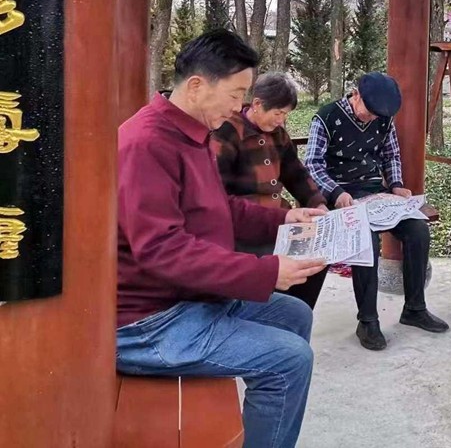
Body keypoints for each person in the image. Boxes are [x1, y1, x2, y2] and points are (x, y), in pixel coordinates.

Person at [116, 30, 328, 448]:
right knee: (289, 360)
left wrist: (287, 218)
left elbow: (220, 208)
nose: (239, 106)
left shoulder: (192, 133)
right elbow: (162, 249)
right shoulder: (147, 143)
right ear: (197, 86)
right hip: (149, 321)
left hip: (191, 298)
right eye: (236, 94)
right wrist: (265, 272)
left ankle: (267, 418)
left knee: (294, 315)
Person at [304, 71, 448, 351]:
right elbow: (313, 164)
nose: (371, 119)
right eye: (368, 112)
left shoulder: (383, 117)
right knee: (365, 239)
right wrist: (336, 192)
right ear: (355, 94)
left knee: (417, 229)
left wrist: (396, 185)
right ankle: (368, 320)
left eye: (376, 115)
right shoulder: (326, 118)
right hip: (340, 195)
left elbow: (390, 154)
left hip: (374, 192)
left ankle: (415, 308)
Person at [212, 71, 330, 310]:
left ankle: (296, 315)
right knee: (281, 265)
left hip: (281, 220)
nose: (281, 120)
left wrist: (317, 202)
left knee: (318, 258)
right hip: (245, 226)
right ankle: (270, 317)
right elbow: (216, 193)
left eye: (285, 114)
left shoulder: (279, 135)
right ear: (257, 104)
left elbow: (296, 173)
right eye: (278, 113)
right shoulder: (227, 132)